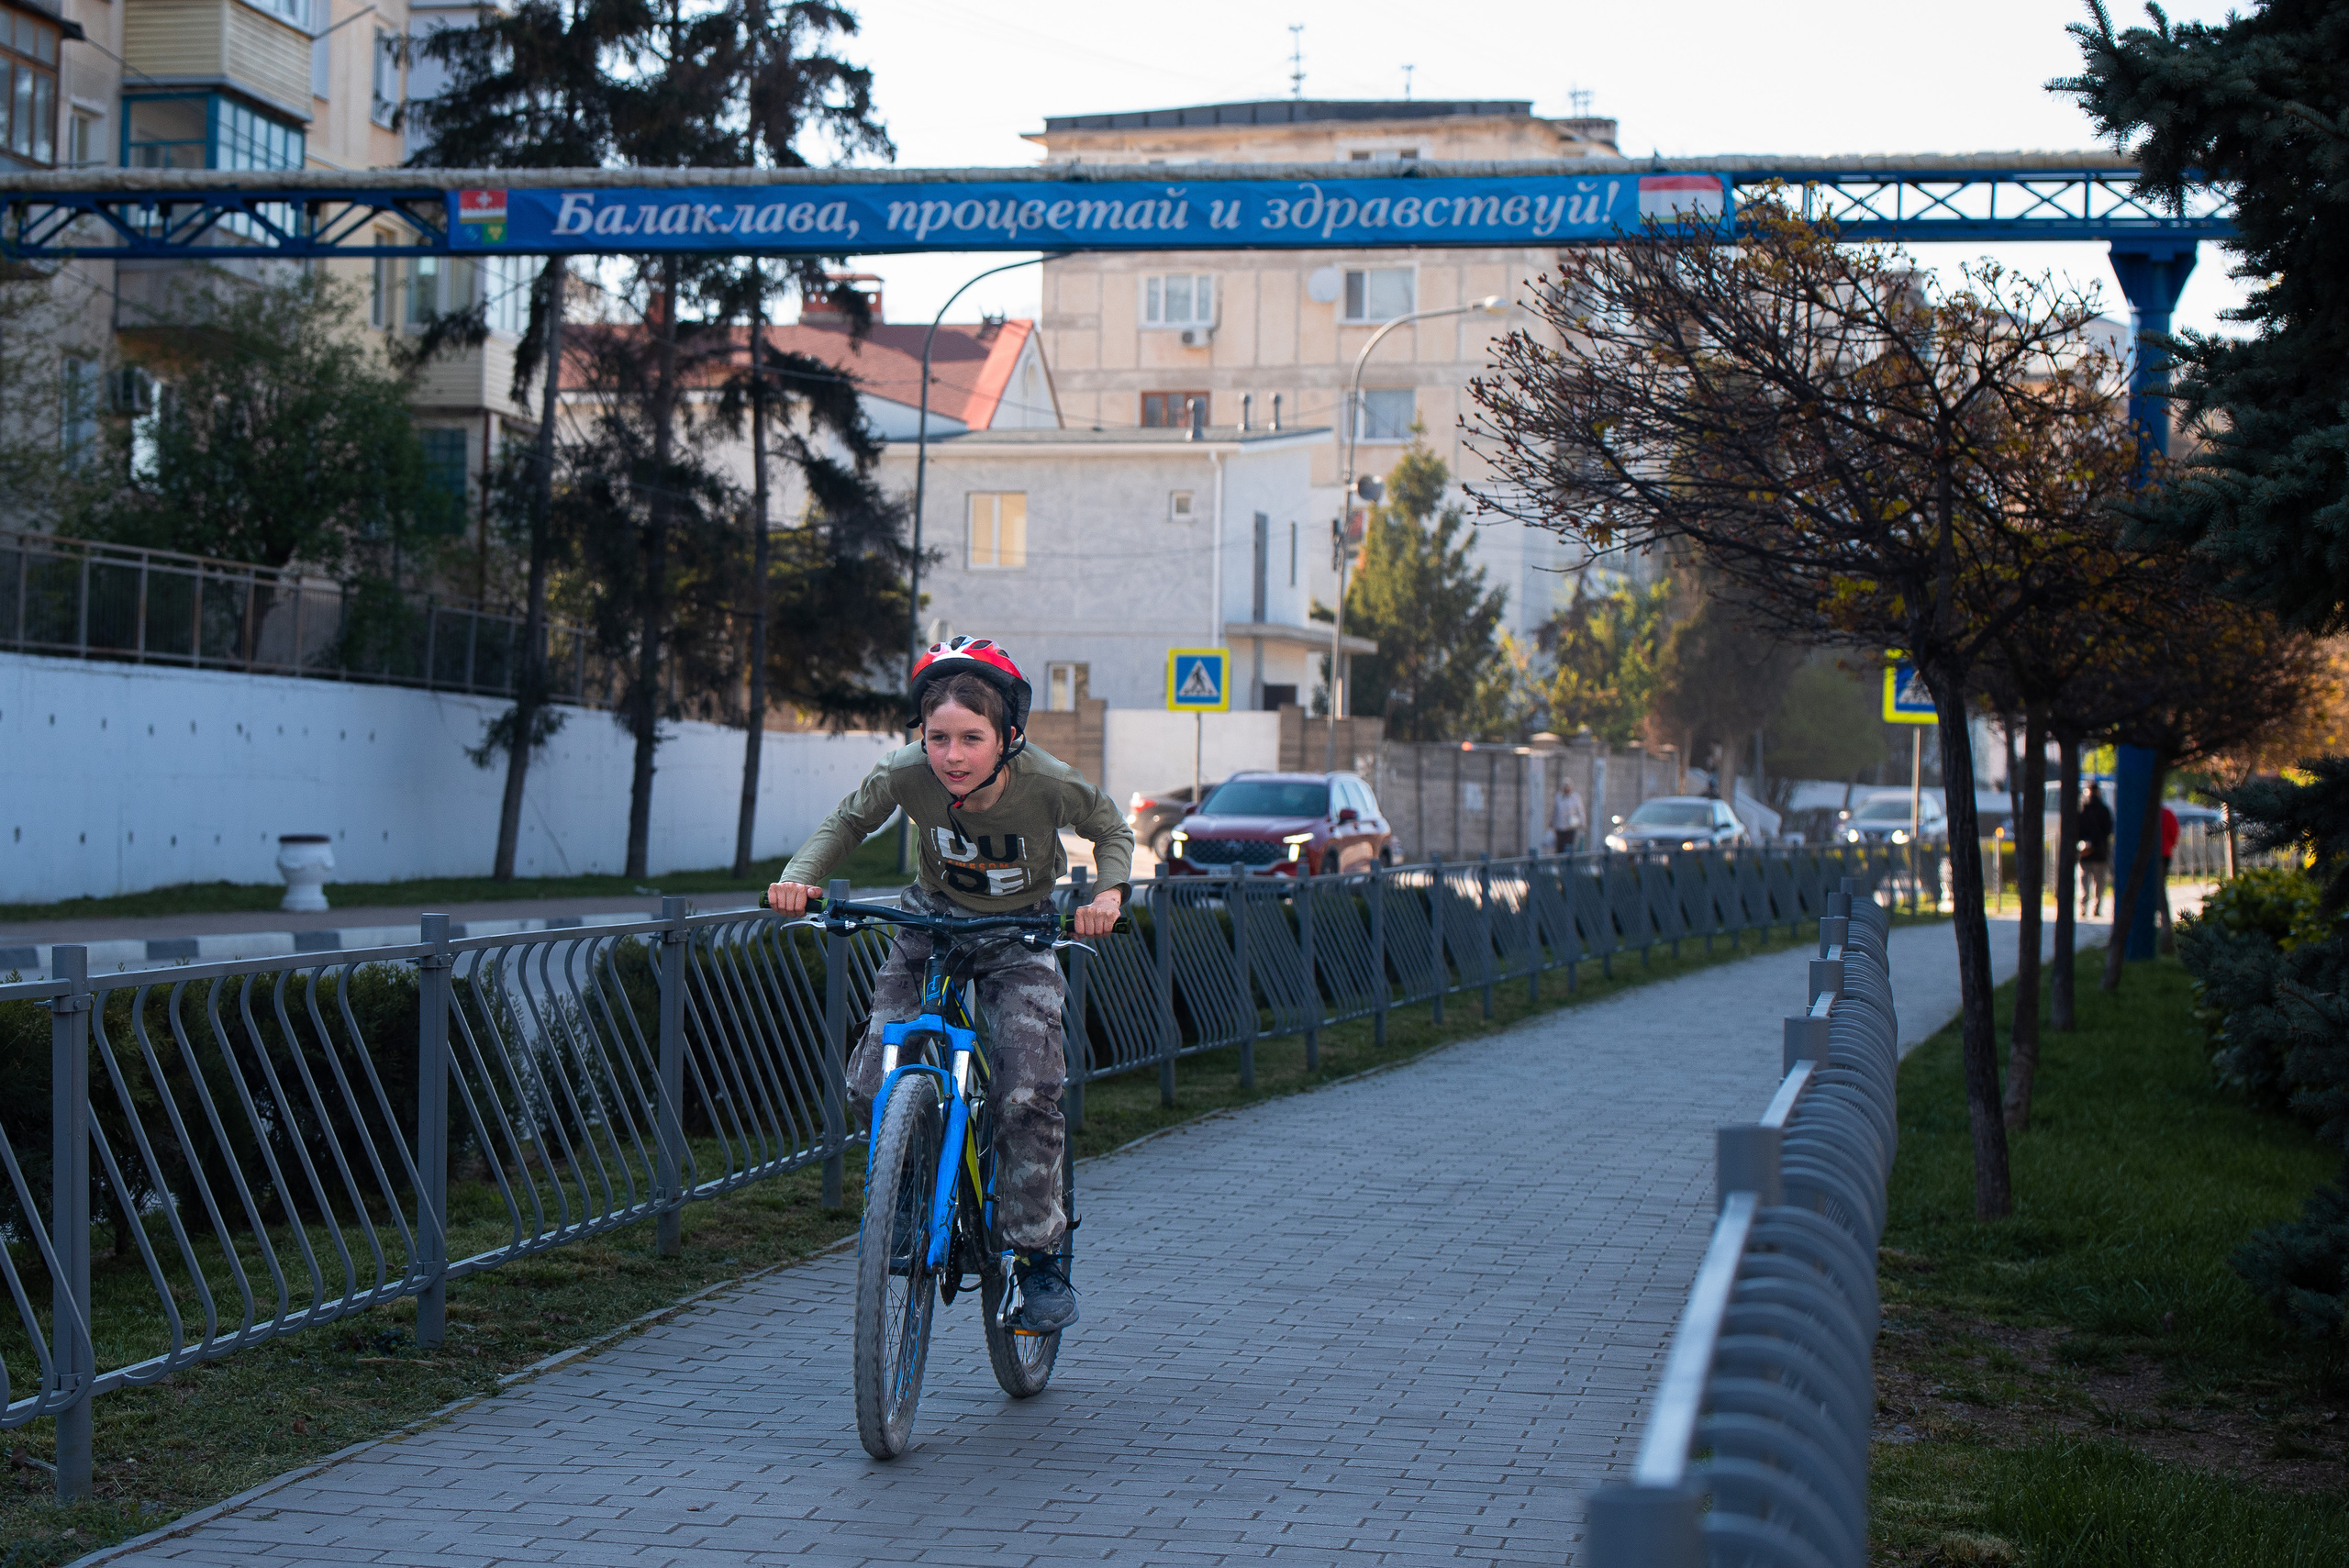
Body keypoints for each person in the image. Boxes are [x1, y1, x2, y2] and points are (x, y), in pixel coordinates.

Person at [767, 638, 1130, 1332]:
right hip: (930, 924)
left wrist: (1108, 895)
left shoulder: (1047, 781)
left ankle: (1036, 1258)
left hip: (1020, 933)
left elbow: (1109, 826)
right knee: (874, 1077)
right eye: (938, 738)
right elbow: (850, 818)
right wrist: (799, 876)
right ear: (920, 736)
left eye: (971, 738)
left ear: (1008, 738)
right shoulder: (908, 773)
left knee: (1026, 1090)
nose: (953, 755)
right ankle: (904, 1196)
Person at [2077, 784, 2114, 917]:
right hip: (2100, 852)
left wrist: (2084, 843)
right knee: (2099, 882)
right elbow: (2108, 830)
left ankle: (2083, 906)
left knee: (2084, 881)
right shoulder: (2104, 810)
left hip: (2085, 852)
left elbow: (2076, 830)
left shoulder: (2082, 810)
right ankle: (2096, 907)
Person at [1551, 778, 1586, 854]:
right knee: (1560, 847)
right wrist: (1552, 822)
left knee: (1569, 847)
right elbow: (1555, 811)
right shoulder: (1558, 797)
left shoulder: (1575, 797)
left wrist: (1583, 823)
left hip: (1570, 827)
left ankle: (1568, 864)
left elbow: (1580, 811)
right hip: (1560, 827)